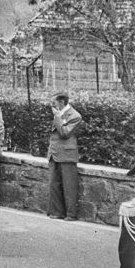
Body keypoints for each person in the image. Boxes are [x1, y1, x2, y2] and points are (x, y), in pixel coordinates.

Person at [47, 93, 83, 221]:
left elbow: (64, 133)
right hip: (54, 153)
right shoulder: (58, 113)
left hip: (67, 154)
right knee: (54, 184)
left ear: (62, 102)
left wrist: (57, 117)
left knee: (69, 185)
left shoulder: (75, 116)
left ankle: (71, 214)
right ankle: (57, 212)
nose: (52, 105)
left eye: (54, 102)